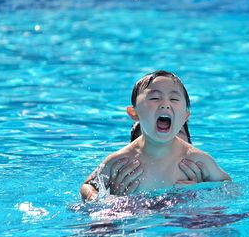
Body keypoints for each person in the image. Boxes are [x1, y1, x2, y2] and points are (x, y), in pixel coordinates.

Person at [80, 70, 231, 201]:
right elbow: (87, 186)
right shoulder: (121, 160)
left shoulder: (197, 159)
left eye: (174, 99)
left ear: (185, 116)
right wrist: (100, 199)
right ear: (134, 113)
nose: (165, 104)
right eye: (154, 98)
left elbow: (229, 187)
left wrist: (201, 189)